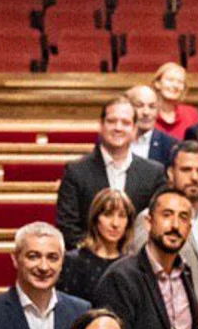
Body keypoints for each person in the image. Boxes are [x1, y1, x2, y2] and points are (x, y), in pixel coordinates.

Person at [93, 187, 198, 329]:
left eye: (183, 217)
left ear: (190, 227)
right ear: (149, 222)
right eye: (167, 215)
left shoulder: (185, 272)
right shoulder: (121, 277)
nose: (175, 225)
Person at [131, 141, 198, 320]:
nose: (194, 177)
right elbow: (145, 284)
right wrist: (195, 318)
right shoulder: (150, 218)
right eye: (186, 170)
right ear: (171, 173)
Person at [56, 96, 166, 246]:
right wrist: (100, 255)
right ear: (100, 126)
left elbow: (157, 224)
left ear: (134, 130)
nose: (118, 128)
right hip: (89, 262)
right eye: (111, 121)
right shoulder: (76, 171)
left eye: (126, 123)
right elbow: (68, 227)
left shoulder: (154, 173)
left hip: (139, 265)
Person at [61, 187, 136, 301]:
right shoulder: (73, 261)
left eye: (122, 216)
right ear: (95, 219)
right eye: (108, 215)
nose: (115, 223)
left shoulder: (133, 265)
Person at [127, 84, 181, 166]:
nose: (146, 112)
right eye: (139, 106)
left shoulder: (170, 146)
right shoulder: (114, 140)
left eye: (152, 107)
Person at [153, 63, 198, 141]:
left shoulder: (191, 114)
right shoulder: (148, 112)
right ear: (157, 83)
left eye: (180, 82)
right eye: (170, 80)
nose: (175, 85)